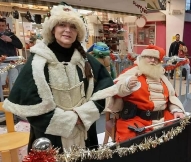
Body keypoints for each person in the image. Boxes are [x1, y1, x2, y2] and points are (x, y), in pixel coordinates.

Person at [3, 4, 114, 151]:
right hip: (51, 136)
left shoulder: (85, 60)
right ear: (53, 28)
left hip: (84, 131)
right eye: (62, 24)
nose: (68, 30)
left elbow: (104, 88)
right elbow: (29, 103)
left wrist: (84, 115)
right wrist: (66, 121)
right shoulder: (38, 62)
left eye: (73, 26)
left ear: (78, 32)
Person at [110, 45, 186, 142]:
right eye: (149, 57)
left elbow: (171, 97)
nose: (153, 60)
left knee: (180, 131)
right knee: (131, 145)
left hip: (163, 118)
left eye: (156, 59)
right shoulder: (131, 73)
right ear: (142, 58)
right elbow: (115, 90)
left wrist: (176, 110)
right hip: (137, 120)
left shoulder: (162, 78)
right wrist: (127, 85)